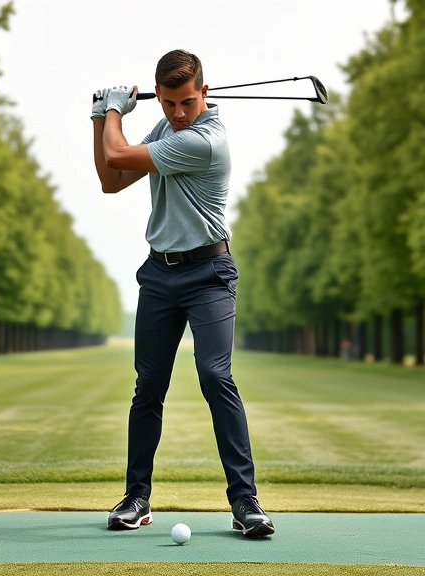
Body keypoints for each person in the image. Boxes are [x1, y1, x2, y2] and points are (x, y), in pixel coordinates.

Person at [91, 49, 274, 538]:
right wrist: (98, 118)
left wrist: (112, 112)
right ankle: (136, 498)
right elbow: (111, 181)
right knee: (148, 387)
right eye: (169, 103)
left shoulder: (206, 141)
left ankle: (245, 502)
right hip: (159, 274)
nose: (176, 113)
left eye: (186, 102)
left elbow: (116, 153)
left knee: (216, 376)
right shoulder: (166, 130)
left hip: (209, 273)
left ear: (205, 94)